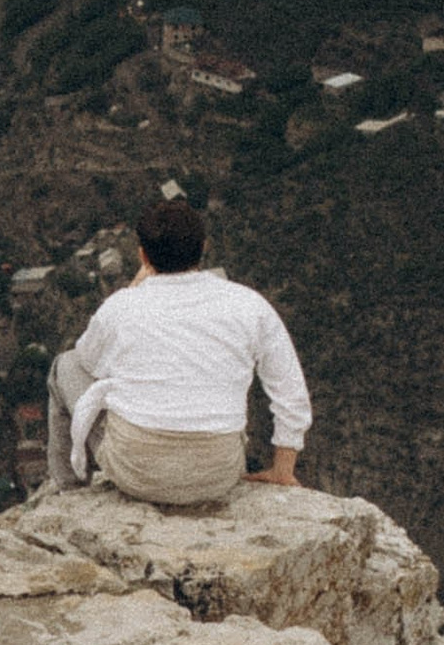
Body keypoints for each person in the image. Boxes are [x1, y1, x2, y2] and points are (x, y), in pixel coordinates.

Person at [46, 199, 311, 508]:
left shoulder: (121, 306)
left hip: (136, 473)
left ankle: (71, 493)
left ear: (143, 254)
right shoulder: (249, 304)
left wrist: (133, 290)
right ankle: (276, 469)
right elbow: (290, 391)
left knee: (63, 366)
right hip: (218, 475)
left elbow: (87, 362)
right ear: (204, 247)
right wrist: (282, 469)